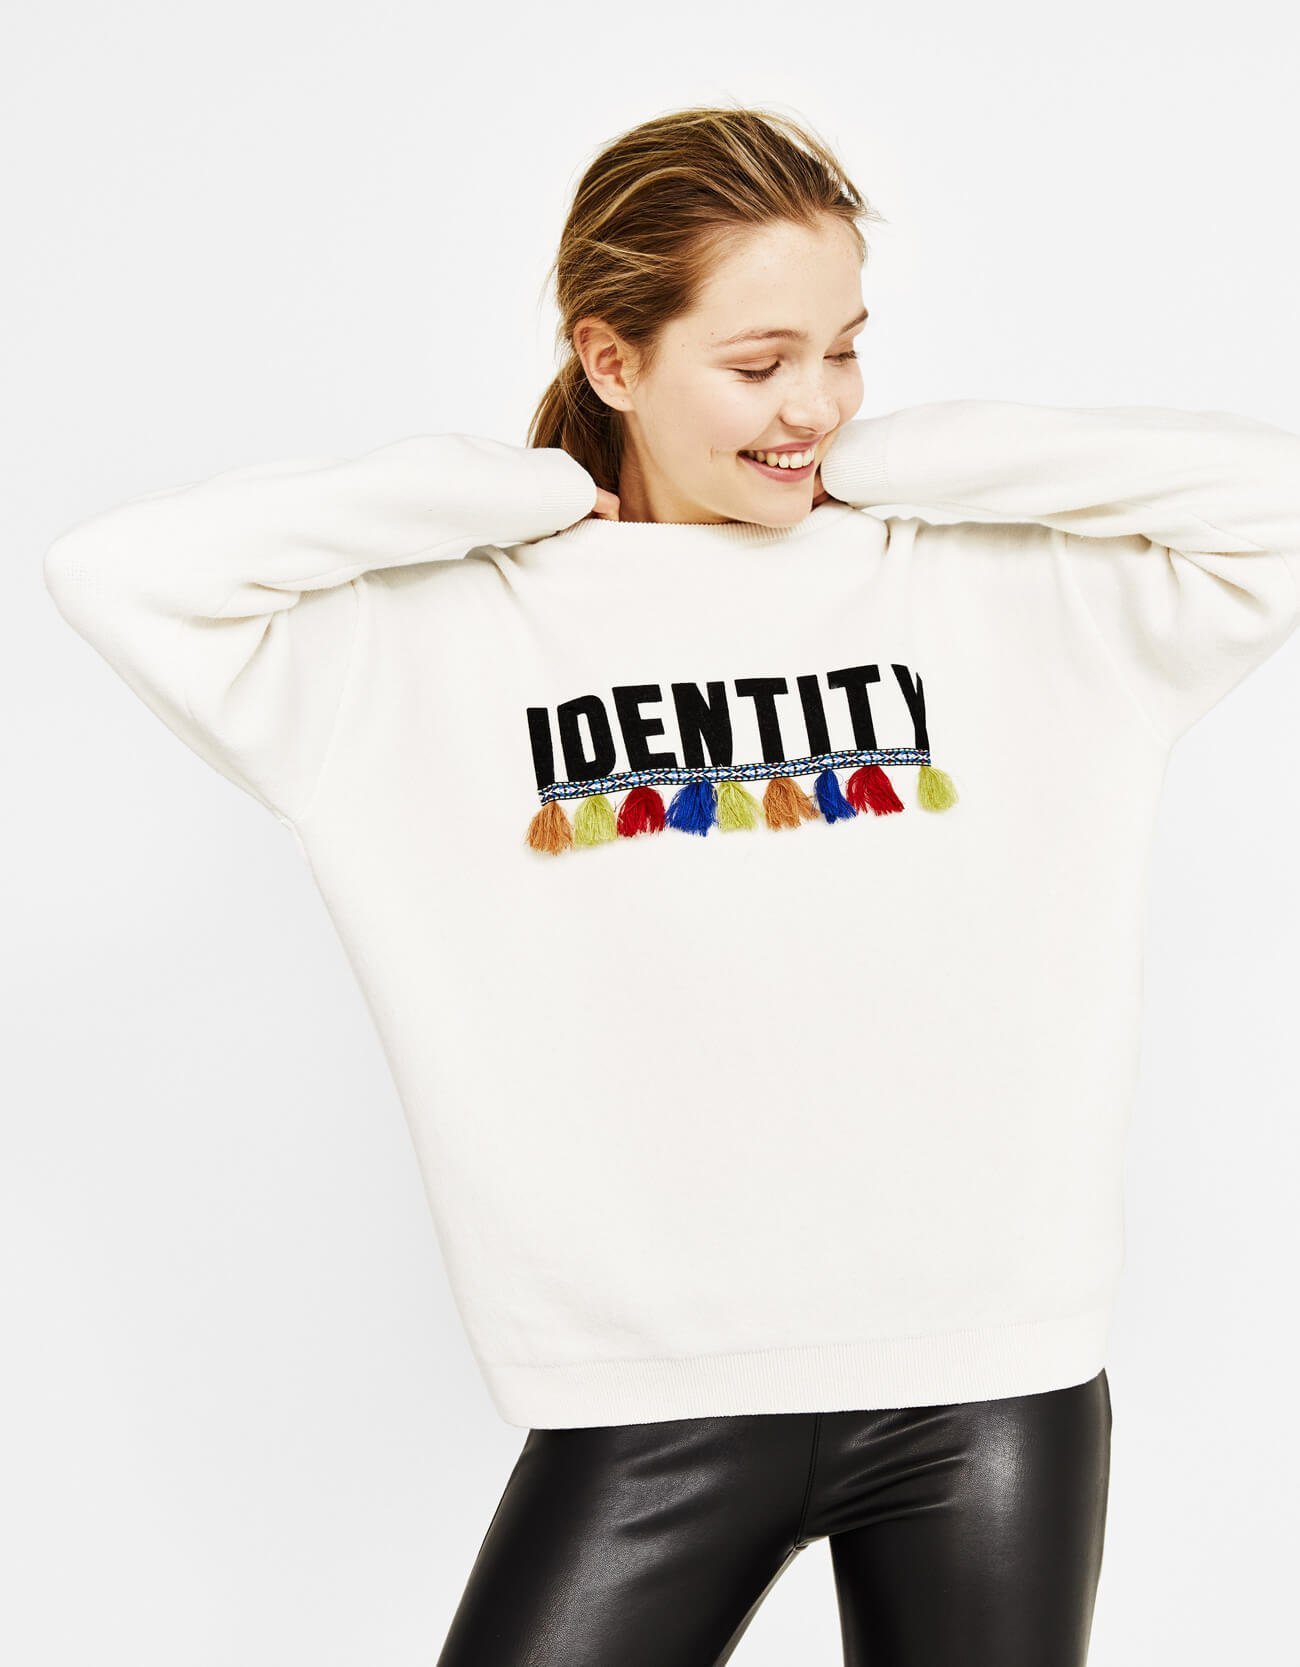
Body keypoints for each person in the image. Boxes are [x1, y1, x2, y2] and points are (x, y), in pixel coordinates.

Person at [41, 103, 1300, 1666]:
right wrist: (501, 494)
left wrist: (916, 454)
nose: (816, 406)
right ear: (613, 357)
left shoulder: (996, 590)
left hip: (990, 1385)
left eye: (846, 350)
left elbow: (1276, 506)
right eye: (759, 364)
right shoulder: (437, 641)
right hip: (648, 1406)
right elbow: (121, 576)